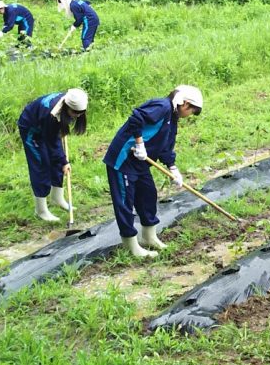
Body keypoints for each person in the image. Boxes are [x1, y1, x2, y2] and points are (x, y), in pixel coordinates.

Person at [103, 85, 203, 258]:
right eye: (192, 111)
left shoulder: (172, 118)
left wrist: (173, 167)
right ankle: (131, 245)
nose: (189, 115)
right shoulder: (162, 106)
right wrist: (139, 143)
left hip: (140, 162)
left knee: (148, 195)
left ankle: (149, 237)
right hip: (123, 159)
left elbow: (165, 145)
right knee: (125, 201)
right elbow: (136, 117)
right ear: (186, 104)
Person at [17, 89, 89, 222]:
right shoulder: (50, 115)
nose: (77, 116)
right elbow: (52, 143)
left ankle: (57, 198)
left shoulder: (71, 102)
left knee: (57, 163)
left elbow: (54, 139)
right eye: (75, 113)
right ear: (66, 107)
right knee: (41, 164)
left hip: (47, 127)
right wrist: (64, 161)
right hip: (31, 129)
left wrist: (61, 161)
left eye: (81, 113)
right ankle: (41, 210)